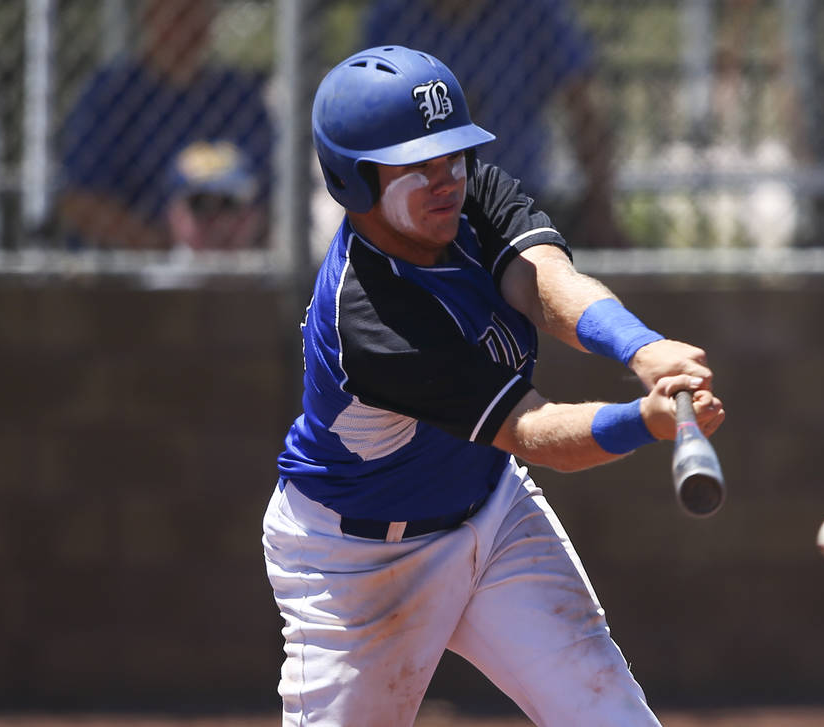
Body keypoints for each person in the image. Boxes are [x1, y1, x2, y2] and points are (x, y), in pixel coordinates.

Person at [263, 46, 725, 726]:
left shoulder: (463, 193)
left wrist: (643, 347)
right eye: (416, 164)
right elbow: (536, 433)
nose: (445, 177)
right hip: (357, 565)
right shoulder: (372, 321)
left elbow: (546, 285)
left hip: (490, 512)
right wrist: (644, 421)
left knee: (611, 715)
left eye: (452, 153)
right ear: (355, 181)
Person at [363, 0, 633, 248]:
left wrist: (599, 205)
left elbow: (584, 103)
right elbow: (367, 115)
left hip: (517, 197)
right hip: (415, 195)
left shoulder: (532, 11)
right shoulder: (395, 15)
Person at [58, 0, 272, 249]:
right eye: (178, 14)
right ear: (149, 17)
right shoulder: (110, 94)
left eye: (199, 12)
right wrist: (164, 248)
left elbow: (267, 195)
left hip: (228, 259)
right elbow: (78, 200)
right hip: (128, 265)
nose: (190, 26)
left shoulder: (237, 96)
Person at [165, 140, 267, 251]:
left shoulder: (277, 267)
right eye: (199, 204)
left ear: (252, 216)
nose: (216, 220)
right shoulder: (148, 267)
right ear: (175, 216)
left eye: (227, 204)